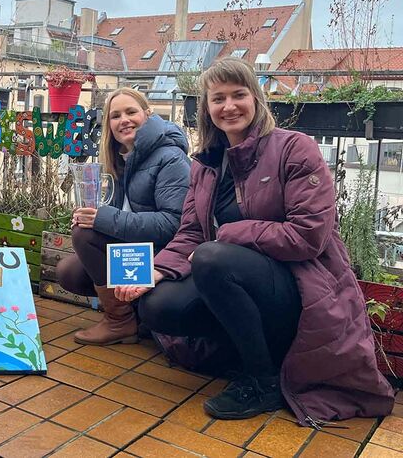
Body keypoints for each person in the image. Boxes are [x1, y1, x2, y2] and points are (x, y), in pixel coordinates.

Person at [115, 57, 394, 425]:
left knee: (213, 258)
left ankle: (263, 381)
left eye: (238, 95)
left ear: (256, 99)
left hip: (302, 285)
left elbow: (307, 235)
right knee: (158, 306)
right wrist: (157, 269)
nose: (229, 106)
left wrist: (229, 234)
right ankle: (242, 352)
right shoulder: (207, 163)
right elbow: (192, 232)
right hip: (234, 277)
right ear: (207, 108)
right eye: (218, 98)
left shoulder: (295, 148)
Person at [56, 87, 191, 346]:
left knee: (85, 236)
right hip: (136, 250)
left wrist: (102, 220)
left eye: (131, 112)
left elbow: (174, 224)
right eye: (115, 116)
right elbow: (119, 217)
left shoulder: (171, 158)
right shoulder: (122, 159)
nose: (124, 120)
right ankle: (134, 314)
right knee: (69, 272)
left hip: (162, 257)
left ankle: (120, 322)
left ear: (148, 115)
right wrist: (89, 216)